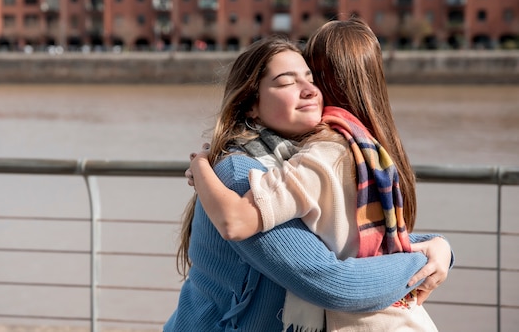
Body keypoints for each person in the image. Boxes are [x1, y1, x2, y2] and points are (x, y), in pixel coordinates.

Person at [164, 34, 453, 331]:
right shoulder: (240, 173)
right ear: (250, 105)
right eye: (287, 82)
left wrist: (438, 247)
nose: (308, 91)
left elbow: (342, 241)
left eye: (311, 79)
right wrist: (421, 262)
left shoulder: (298, 164)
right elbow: (332, 282)